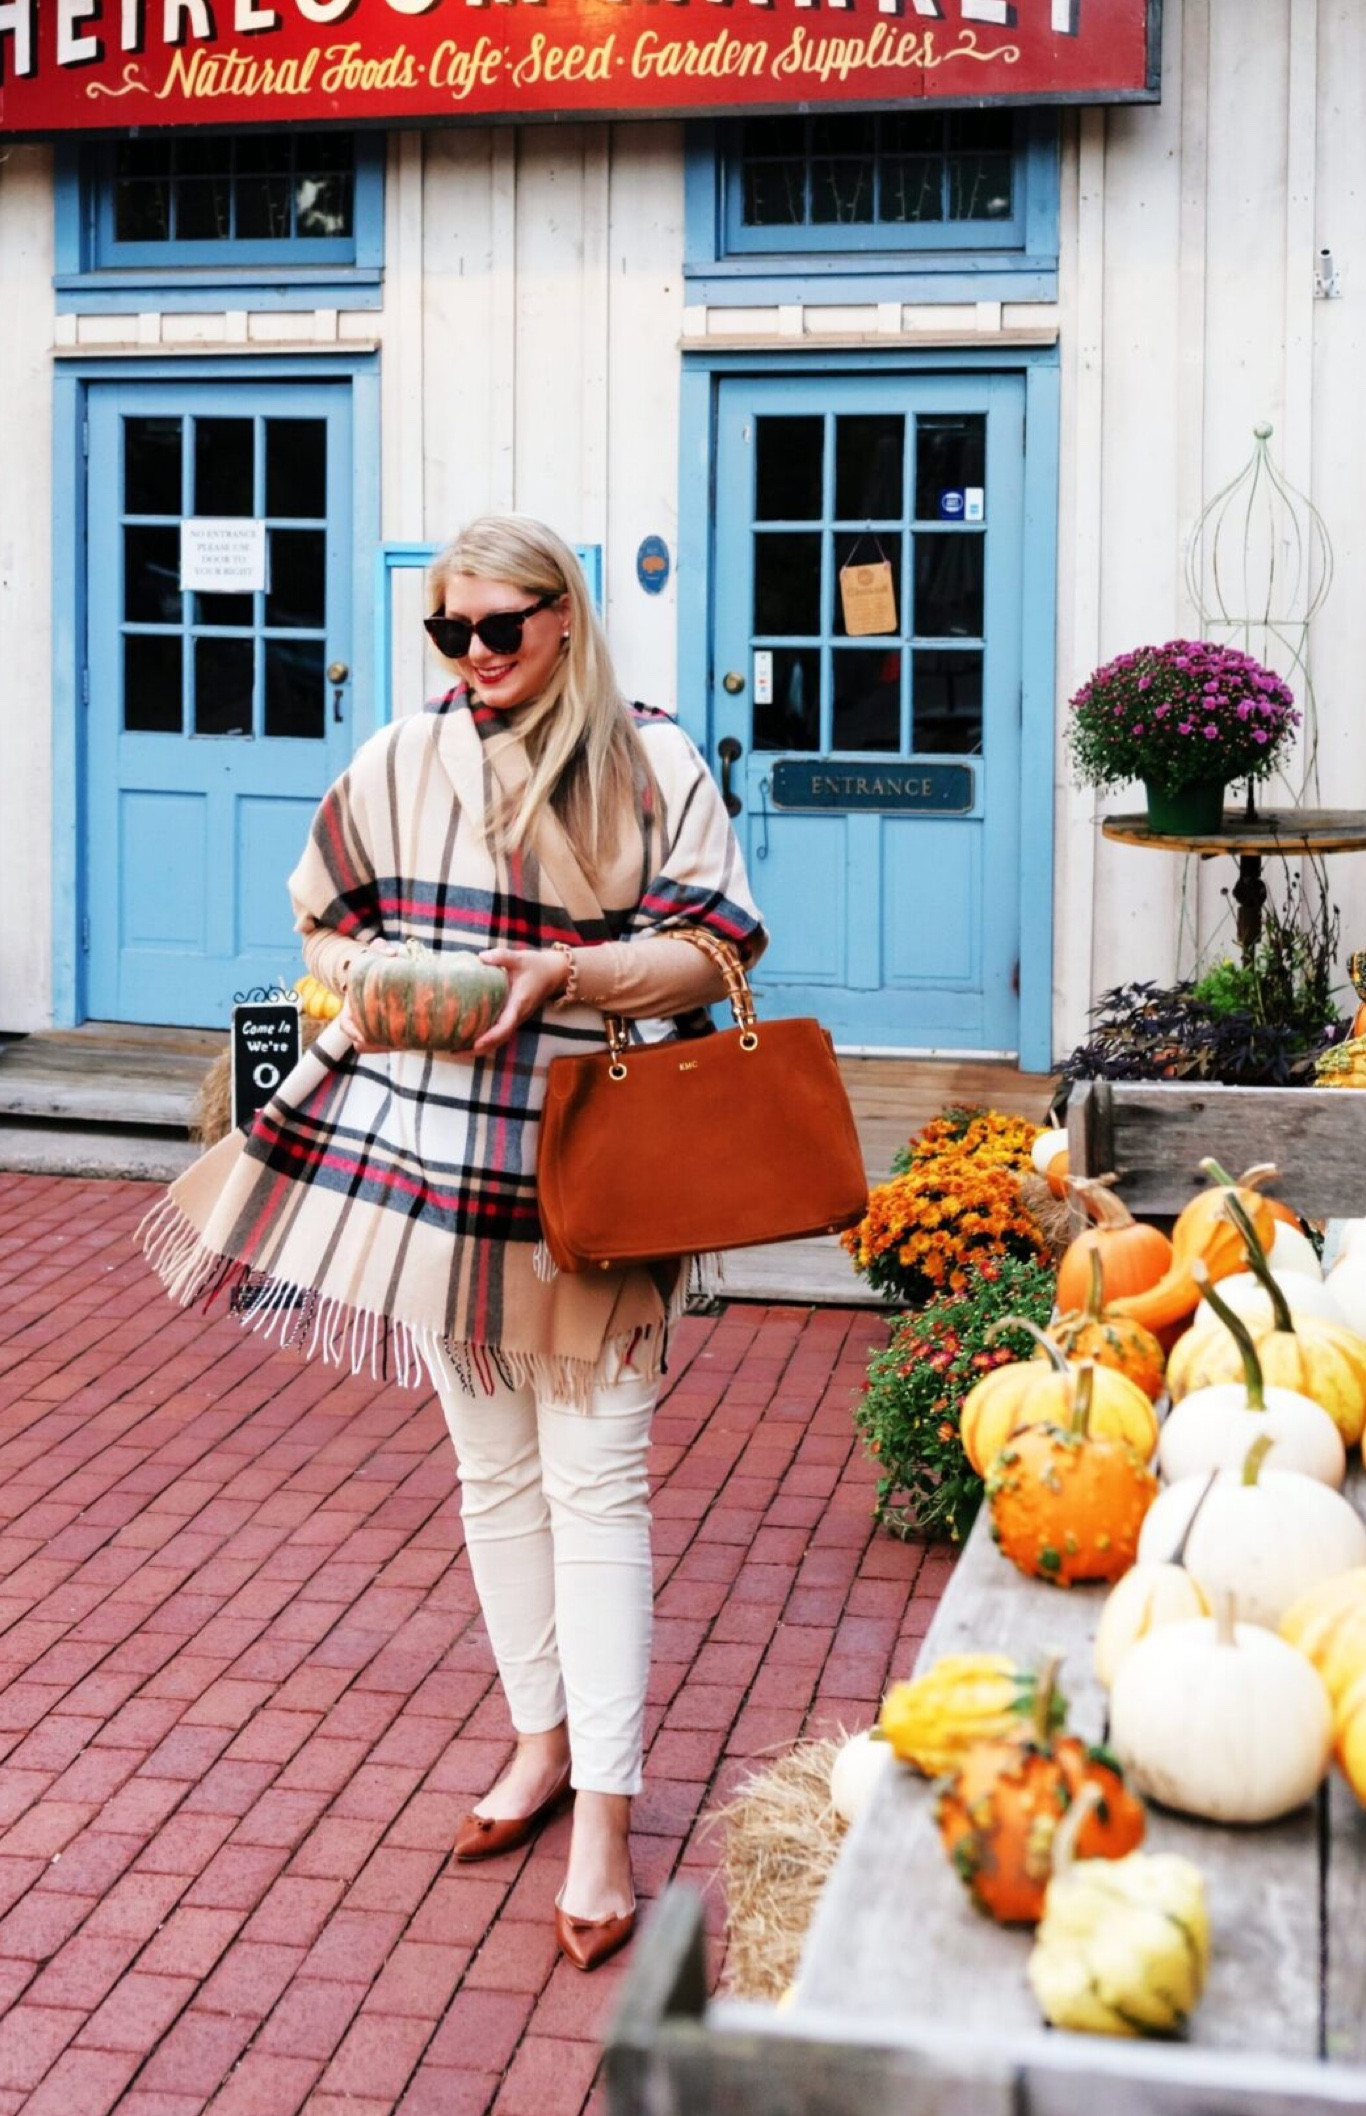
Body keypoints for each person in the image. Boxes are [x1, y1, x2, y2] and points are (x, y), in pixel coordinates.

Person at [142, 515, 765, 1971]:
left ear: (567, 618)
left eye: (502, 627)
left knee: (598, 1486)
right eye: (451, 631)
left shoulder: (651, 758)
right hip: (432, 1163)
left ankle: (605, 1813)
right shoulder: (395, 760)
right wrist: (373, 971)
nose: (475, 657)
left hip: (596, 1169)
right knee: (492, 1478)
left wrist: (573, 972)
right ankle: (539, 1745)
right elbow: (322, 923)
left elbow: (719, 946)